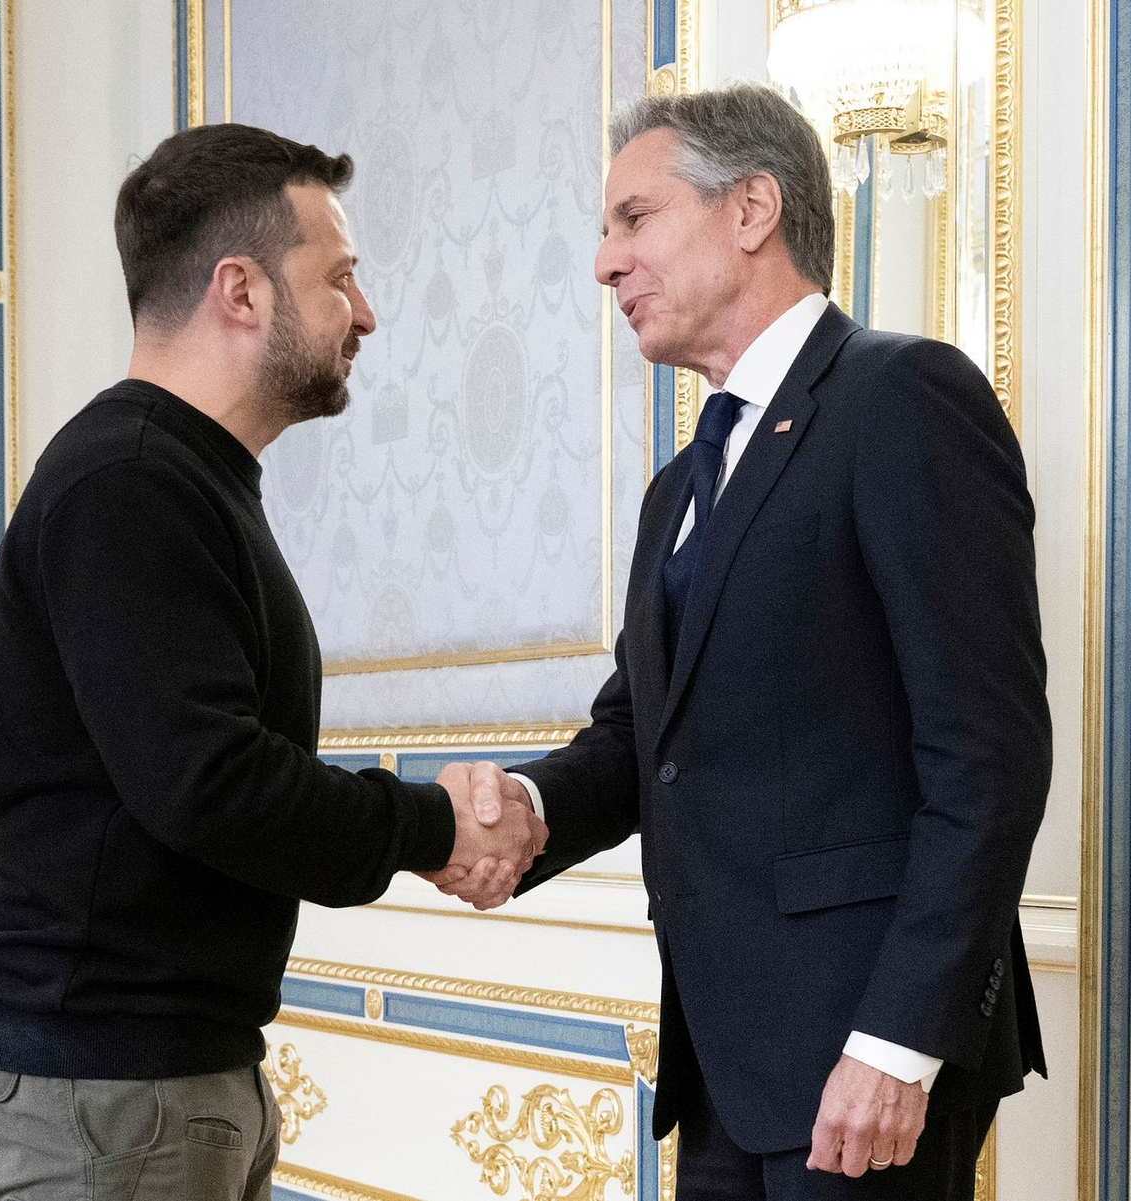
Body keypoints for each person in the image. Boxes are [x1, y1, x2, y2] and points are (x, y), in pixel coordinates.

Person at [428, 83, 1050, 1200]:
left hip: (862, 1062)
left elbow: (991, 756)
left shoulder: (902, 396)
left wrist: (897, 1041)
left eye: (634, 218)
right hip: (720, 1063)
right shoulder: (680, 485)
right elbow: (640, 735)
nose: (606, 263)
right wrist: (526, 809)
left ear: (752, 208)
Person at [0, 122, 546, 1201]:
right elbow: (207, 782)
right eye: (341, 278)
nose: (365, 313)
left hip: (151, 1077)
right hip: (105, 1086)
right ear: (242, 289)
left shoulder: (179, 478)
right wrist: (435, 826)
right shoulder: (128, 482)